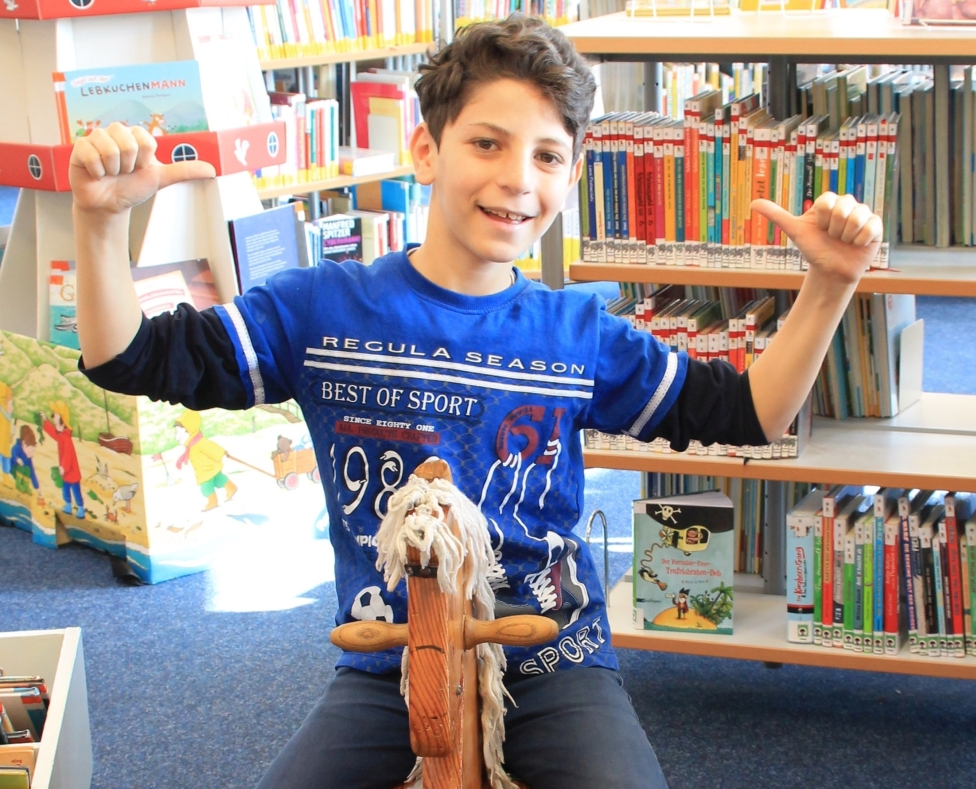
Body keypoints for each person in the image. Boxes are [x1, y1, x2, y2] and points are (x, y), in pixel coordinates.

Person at [70, 15, 880, 789]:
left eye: (548, 156)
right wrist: (101, 222)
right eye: (487, 143)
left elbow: (749, 414)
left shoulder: (575, 333)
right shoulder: (322, 309)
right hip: (388, 662)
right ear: (426, 150)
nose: (518, 178)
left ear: (571, 174)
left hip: (553, 658)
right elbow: (128, 357)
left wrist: (829, 286)